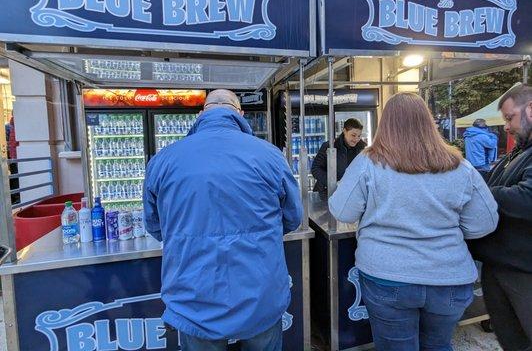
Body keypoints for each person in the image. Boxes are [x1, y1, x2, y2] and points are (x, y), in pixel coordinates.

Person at [329, 93, 498, 351]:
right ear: (428, 122)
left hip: (387, 278)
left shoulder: (368, 162)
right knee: (438, 345)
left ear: (386, 124)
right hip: (449, 279)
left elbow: (342, 211)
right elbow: (484, 223)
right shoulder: (459, 165)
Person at [143, 89, 302, 351]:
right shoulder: (270, 155)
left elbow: (155, 226)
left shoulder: (163, 160)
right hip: (259, 293)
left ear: (201, 113)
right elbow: (292, 217)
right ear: (240, 114)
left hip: (194, 297)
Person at [468, 83, 532, 351]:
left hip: (523, 270)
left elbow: (526, 197)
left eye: (509, 118)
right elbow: (498, 182)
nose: (506, 126)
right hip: (499, 264)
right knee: (510, 338)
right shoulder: (520, 150)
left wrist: (479, 192)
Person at [311, 118, 366, 199]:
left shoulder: (361, 150)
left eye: (359, 136)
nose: (356, 139)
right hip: (326, 193)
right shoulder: (329, 146)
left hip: (348, 195)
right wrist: (333, 183)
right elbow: (315, 169)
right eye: (353, 135)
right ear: (344, 131)